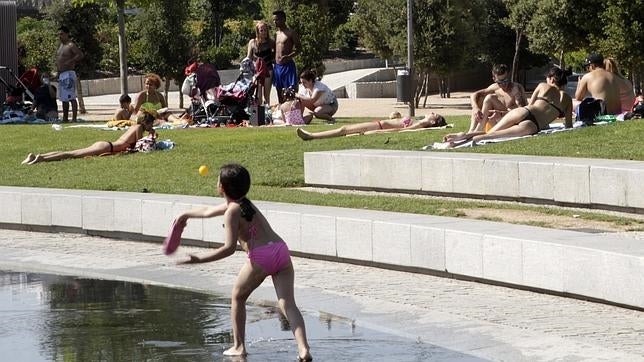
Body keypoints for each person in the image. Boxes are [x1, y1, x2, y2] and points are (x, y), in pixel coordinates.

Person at [175, 164, 312, 361]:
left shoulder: (232, 211)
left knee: (237, 297)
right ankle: (303, 349)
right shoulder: (245, 204)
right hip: (280, 249)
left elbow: (229, 248)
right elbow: (208, 210)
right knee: (288, 304)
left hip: (261, 256)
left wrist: (199, 259)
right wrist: (185, 214)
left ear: (221, 187)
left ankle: (239, 347)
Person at [444, 67, 572, 146]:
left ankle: (463, 136)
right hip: (533, 125)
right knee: (488, 136)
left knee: (491, 132)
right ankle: (456, 144)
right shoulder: (567, 99)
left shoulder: (543, 86)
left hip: (523, 112)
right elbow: (568, 125)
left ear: (552, 79)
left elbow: (531, 105)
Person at [21, 112, 156, 165]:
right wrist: (152, 136)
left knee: (72, 153)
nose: (151, 126)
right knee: (72, 154)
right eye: (151, 124)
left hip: (106, 144)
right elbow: (140, 146)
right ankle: (41, 158)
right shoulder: (138, 128)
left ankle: (37, 156)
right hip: (107, 147)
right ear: (146, 123)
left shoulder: (134, 126)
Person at [297, 111, 447, 140]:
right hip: (378, 125)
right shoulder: (419, 122)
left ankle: (311, 136)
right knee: (346, 132)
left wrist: (376, 133)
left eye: (434, 115)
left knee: (343, 129)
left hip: (377, 127)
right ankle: (311, 136)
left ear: (433, 122)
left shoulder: (420, 125)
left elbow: (399, 131)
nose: (432, 112)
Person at [467, 64, 527, 133]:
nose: (504, 84)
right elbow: (474, 94)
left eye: (506, 80)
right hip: (499, 119)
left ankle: (477, 131)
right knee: (483, 99)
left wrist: (501, 113)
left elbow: (522, 111)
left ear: (508, 76)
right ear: (494, 79)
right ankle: (472, 130)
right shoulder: (495, 87)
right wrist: (475, 108)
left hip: (513, 119)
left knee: (489, 98)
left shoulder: (516, 89)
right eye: (500, 82)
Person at [55, 26, 84, 123]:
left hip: (69, 74)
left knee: (71, 97)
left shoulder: (71, 45)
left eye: (62, 34)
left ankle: (74, 118)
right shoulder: (61, 46)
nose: (60, 36)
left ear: (67, 34)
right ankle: (65, 118)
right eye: (59, 34)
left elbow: (80, 55)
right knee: (64, 98)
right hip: (62, 74)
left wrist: (71, 61)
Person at [272, 10, 300, 104]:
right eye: (274, 20)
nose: (275, 22)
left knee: (290, 91)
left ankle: (293, 114)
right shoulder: (276, 34)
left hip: (288, 66)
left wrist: (289, 56)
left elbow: (299, 49)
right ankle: (282, 113)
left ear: (283, 19)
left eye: (277, 20)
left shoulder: (291, 32)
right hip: (277, 66)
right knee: (279, 90)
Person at [247, 21, 275, 105]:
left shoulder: (271, 42)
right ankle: (259, 114)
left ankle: (267, 113)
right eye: (261, 30)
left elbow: (275, 55)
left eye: (265, 30)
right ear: (257, 31)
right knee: (258, 95)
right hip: (257, 71)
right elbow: (248, 57)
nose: (263, 32)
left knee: (267, 95)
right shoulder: (252, 42)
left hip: (268, 69)